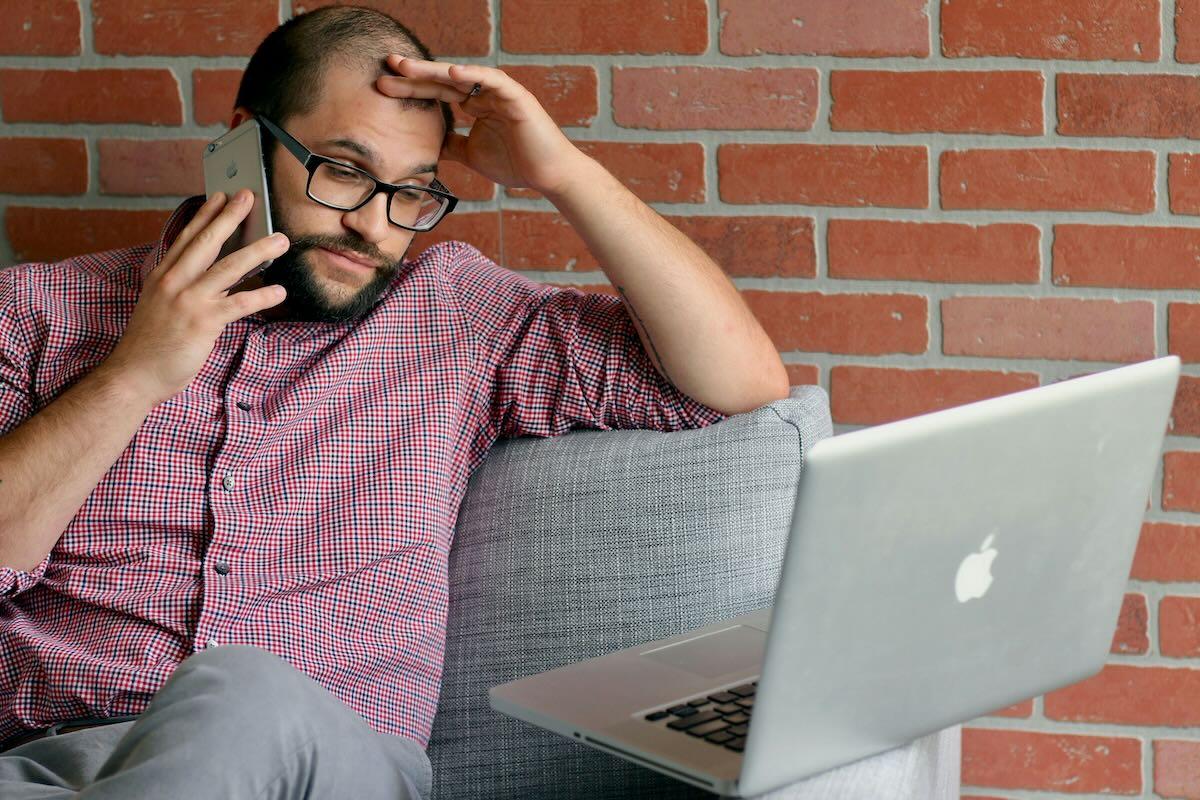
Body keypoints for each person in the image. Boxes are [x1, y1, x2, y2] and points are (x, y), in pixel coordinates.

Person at [0, 5, 789, 798]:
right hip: (44, 767)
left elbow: (738, 381)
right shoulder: (36, 313)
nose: (374, 226)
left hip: (324, 768)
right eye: (343, 171)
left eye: (411, 193)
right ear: (245, 142)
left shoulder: (454, 318)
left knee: (237, 692)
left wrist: (563, 172)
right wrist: (134, 375)